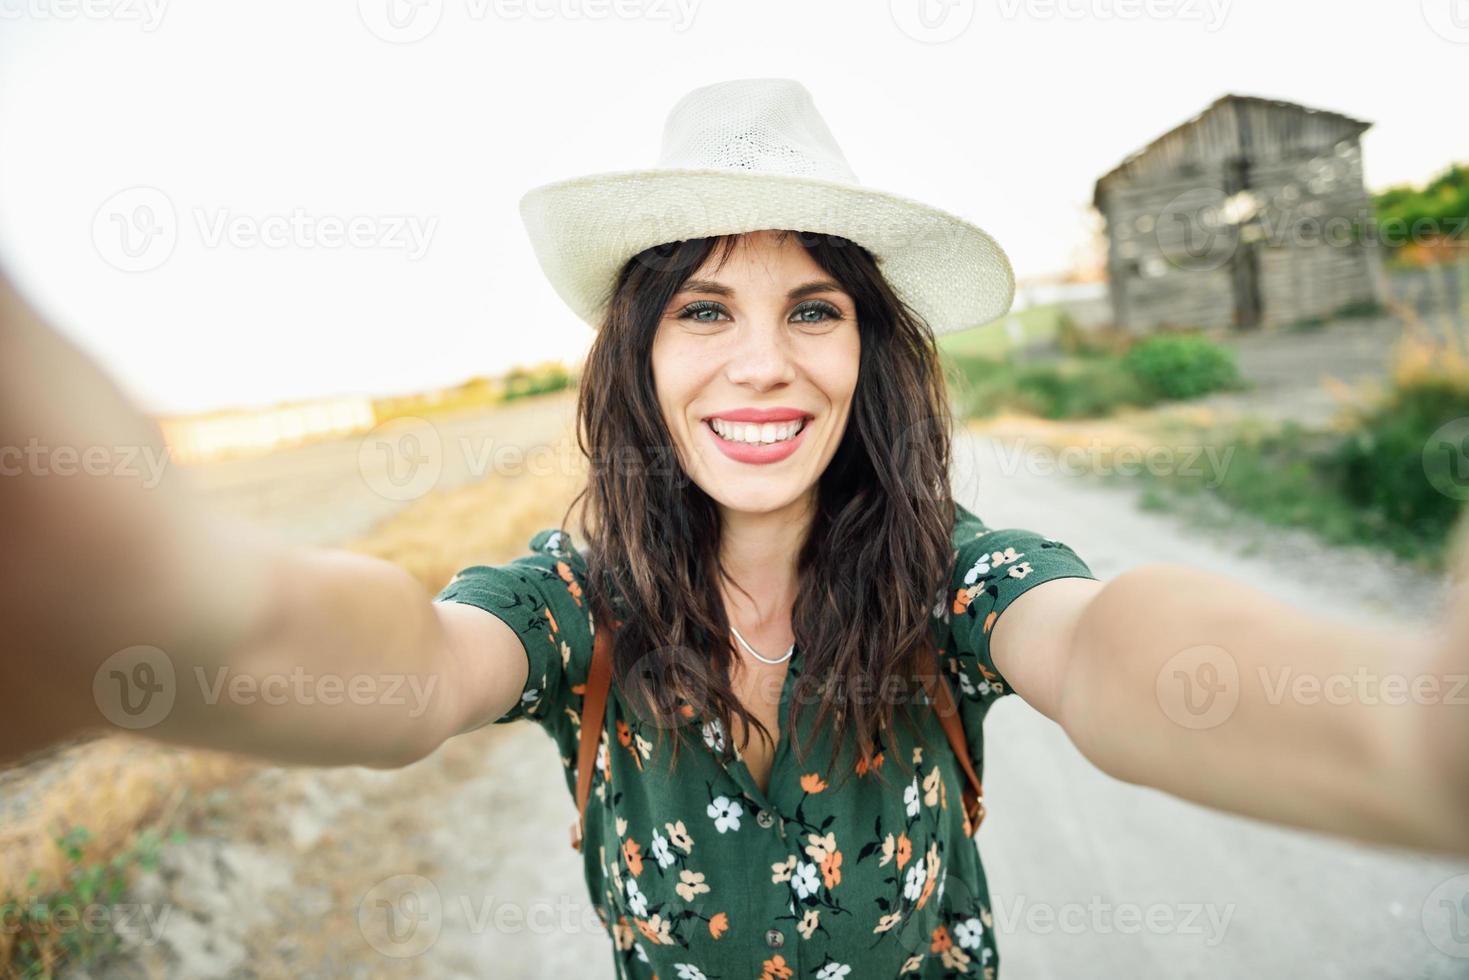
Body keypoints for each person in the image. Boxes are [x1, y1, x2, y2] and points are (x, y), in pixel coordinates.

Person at [1, 77, 1466, 979]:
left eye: (809, 309)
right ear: (637, 356)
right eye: (703, 308)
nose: (759, 362)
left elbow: (1117, 657)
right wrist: (184, 621)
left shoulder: (954, 573)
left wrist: (1402, 736)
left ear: (866, 354)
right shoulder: (567, 602)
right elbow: (398, 672)